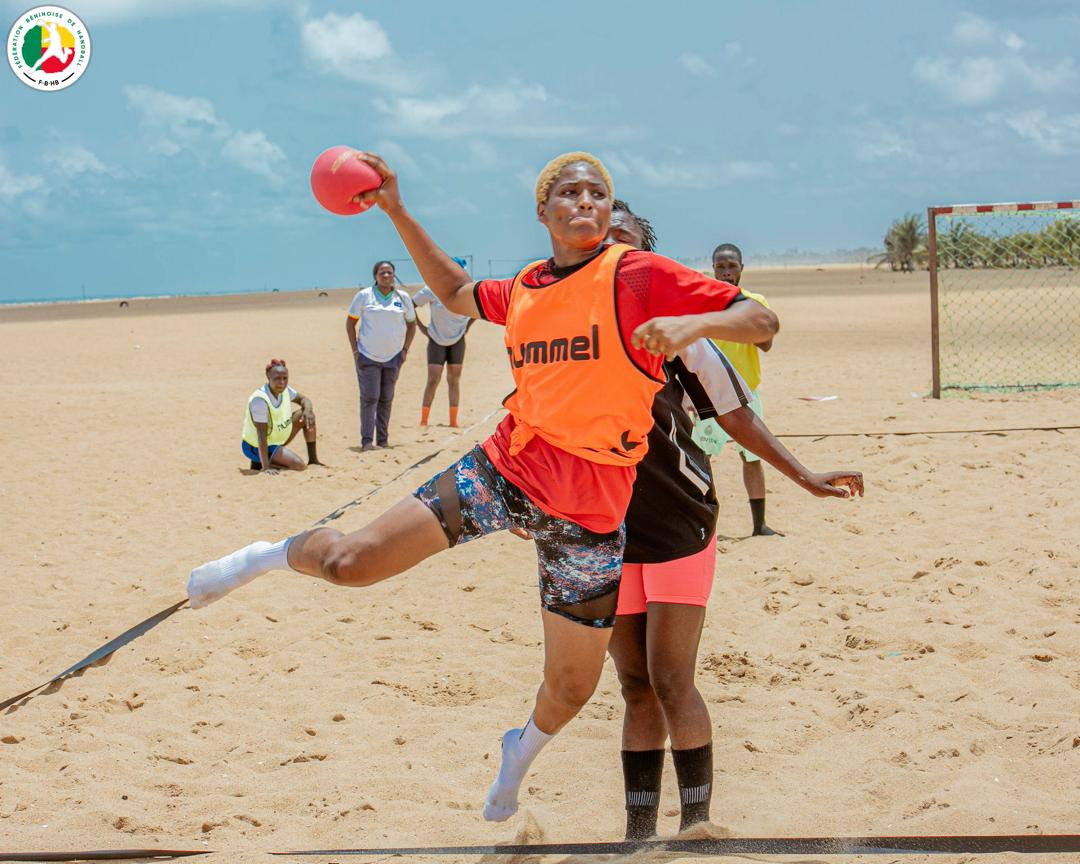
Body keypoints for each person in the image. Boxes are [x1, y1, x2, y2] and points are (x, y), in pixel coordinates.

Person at [188, 151, 778, 823]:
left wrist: (694, 322)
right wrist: (395, 209)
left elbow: (759, 321)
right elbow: (456, 294)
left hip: (589, 518)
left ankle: (516, 759)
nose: (585, 201)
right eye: (570, 192)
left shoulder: (637, 272)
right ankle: (265, 554)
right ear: (543, 211)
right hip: (504, 470)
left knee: (570, 689)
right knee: (349, 564)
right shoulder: (527, 285)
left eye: (597, 193)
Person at [605, 201, 862, 840]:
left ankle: (697, 827)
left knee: (670, 680)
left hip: (676, 522)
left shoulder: (676, 333)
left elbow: (734, 414)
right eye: (599, 227)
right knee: (635, 687)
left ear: (645, 252)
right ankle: (638, 836)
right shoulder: (566, 329)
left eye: (624, 229)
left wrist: (804, 476)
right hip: (602, 529)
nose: (609, 232)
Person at [693, 244, 780, 536]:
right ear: (713, 269)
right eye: (721, 267)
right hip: (709, 393)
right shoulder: (702, 302)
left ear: (742, 268)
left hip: (747, 392)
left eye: (731, 267)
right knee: (702, 458)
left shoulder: (755, 302)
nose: (726, 273)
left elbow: (766, 343)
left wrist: (741, 317)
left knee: (752, 456)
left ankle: (759, 524)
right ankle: (704, 523)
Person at [346, 260, 417, 451]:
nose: (386, 276)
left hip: (393, 357)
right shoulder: (364, 296)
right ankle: (367, 441)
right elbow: (350, 323)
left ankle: (383, 441)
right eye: (382, 273)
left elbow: (412, 324)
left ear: (394, 275)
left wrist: (405, 350)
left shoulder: (402, 298)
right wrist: (355, 351)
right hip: (367, 355)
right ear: (375, 276)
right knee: (370, 398)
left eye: (389, 272)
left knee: (386, 399)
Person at [413, 257, 473, 428]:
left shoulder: (468, 289)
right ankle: (424, 420)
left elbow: (478, 311)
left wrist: (466, 326)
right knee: (433, 379)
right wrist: (422, 328)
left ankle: (453, 421)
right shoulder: (431, 290)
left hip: (458, 340)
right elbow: (410, 306)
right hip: (436, 340)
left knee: (454, 379)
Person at [241, 359, 323, 474]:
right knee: (299, 465)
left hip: (275, 438)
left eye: (285, 378)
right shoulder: (259, 400)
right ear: (268, 377)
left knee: (306, 415)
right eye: (277, 378)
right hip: (255, 446)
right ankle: (262, 463)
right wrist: (266, 467)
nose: (282, 382)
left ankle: (313, 460)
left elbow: (304, 399)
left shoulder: (285, 390)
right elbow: (261, 435)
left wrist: (308, 410)